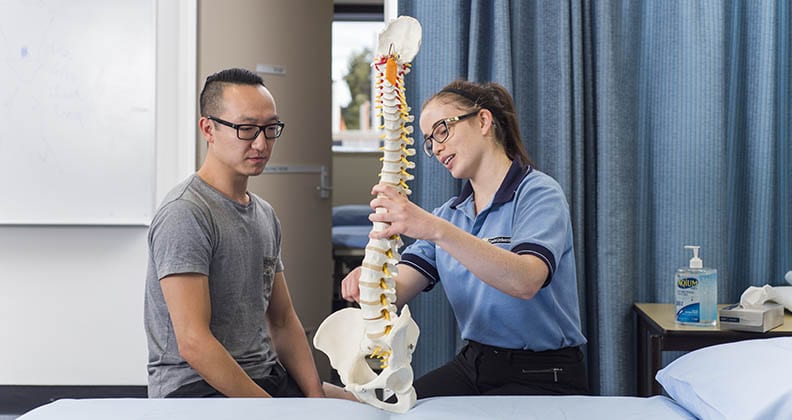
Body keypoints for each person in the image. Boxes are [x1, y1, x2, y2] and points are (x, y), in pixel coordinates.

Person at [341, 79, 589, 398]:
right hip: (475, 363)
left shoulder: (539, 194)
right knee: (388, 407)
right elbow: (399, 290)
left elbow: (526, 280)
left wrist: (435, 229)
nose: (436, 147)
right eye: (429, 141)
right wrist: (372, 284)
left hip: (543, 373)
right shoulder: (450, 214)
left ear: (483, 121)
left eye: (442, 130)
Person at [144, 68, 325, 399]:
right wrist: (275, 411)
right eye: (246, 129)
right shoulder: (186, 213)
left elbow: (283, 321)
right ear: (208, 128)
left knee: (362, 409)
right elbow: (193, 342)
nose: (261, 143)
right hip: (194, 387)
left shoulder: (265, 215)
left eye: (270, 129)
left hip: (261, 375)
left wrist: (315, 401)